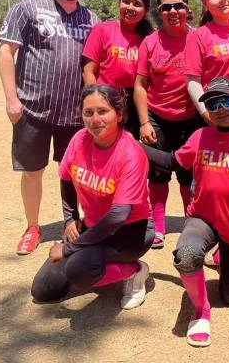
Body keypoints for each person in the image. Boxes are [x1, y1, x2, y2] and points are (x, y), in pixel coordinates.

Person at [141, 77, 229, 347]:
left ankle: (223, 254)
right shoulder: (200, 136)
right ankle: (201, 310)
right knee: (187, 256)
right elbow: (171, 162)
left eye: (227, 101)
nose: (220, 108)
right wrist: (132, 145)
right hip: (201, 218)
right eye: (213, 104)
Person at [0, 0, 99, 255]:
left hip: (75, 113)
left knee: (76, 172)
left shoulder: (92, 20)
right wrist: (11, 99)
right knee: (33, 171)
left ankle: (77, 222)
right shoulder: (28, 8)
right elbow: (6, 52)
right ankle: (32, 227)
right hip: (32, 109)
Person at [31, 85, 153, 309]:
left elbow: (118, 216)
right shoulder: (80, 139)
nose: (95, 119)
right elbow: (66, 177)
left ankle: (134, 271)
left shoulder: (130, 154)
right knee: (44, 289)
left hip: (129, 232)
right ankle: (92, 262)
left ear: (119, 114)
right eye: (88, 112)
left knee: (78, 270)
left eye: (103, 111)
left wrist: (69, 249)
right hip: (93, 227)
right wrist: (70, 218)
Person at [134, 0, 199, 249]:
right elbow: (140, 85)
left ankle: (190, 224)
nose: (173, 11)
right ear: (159, 12)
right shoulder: (150, 43)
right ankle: (158, 226)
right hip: (157, 116)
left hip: (191, 118)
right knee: (158, 173)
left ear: (187, 10)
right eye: (166, 7)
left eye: (178, 6)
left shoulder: (198, 39)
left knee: (187, 174)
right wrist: (144, 122)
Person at [82, 0, 154, 138]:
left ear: (146, 10)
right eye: (126, 1)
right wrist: (95, 103)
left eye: (137, 4)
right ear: (119, 2)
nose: (130, 7)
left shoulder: (148, 38)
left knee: (127, 146)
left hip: (133, 105)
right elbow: (88, 72)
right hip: (104, 99)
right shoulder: (102, 30)